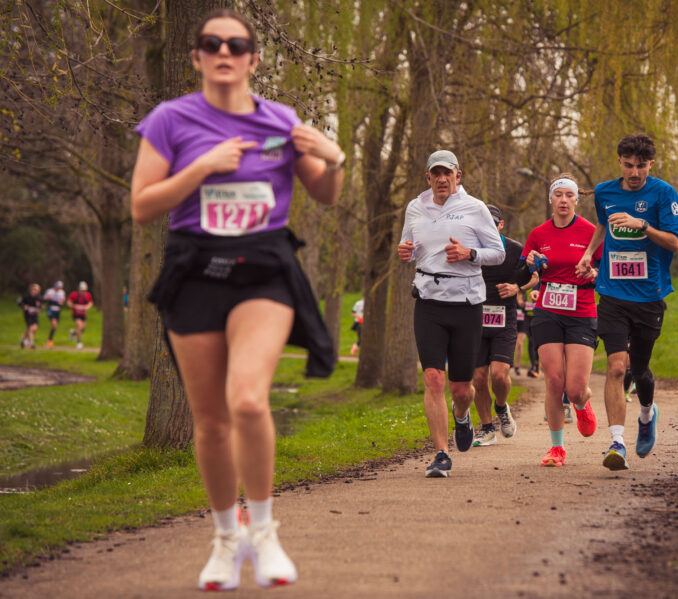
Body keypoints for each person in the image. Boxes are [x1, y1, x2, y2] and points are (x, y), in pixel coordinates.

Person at [131, 8, 344, 591]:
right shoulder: (171, 120)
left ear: (252, 58)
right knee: (212, 419)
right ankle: (226, 539)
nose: (224, 51)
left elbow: (324, 193)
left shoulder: (279, 119)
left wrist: (334, 155)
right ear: (198, 56)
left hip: (264, 269)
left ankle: (265, 530)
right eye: (211, 43)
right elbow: (143, 205)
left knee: (248, 400)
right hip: (195, 268)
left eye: (236, 44)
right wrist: (199, 168)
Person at [576, 133, 678, 471]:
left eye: (640, 166)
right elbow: (602, 226)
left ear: (651, 164)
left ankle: (648, 414)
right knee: (616, 367)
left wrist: (643, 225)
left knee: (639, 369)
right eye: (628, 165)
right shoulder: (606, 192)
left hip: (649, 295)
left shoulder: (664, 194)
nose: (634, 172)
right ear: (619, 162)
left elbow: (674, 243)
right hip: (612, 293)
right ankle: (617, 442)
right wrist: (588, 254)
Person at [397, 149, 505, 477]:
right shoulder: (415, 207)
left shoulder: (475, 209)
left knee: (461, 388)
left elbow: (498, 253)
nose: (442, 179)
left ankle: (462, 416)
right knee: (433, 378)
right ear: (428, 178)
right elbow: (411, 248)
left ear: (458, 175)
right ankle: (441, 454)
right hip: (428, 302)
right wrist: (405, 252)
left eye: (448, 173)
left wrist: (468, 252)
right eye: (436, 174)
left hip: (466, 304)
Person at [523, 174, 603, 467]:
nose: (564, 201)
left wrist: (594, 274)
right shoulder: (538, 234)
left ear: (576, 200)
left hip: (581, 311)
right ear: (551, 200)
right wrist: (529, 264)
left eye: (570, 195)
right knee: (554, 381)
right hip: (548, 311)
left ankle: (582, 403)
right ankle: (556, 448)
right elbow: (525, 271)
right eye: (559, 195)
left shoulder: (591, 232)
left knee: (574, 388)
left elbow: (605, 271)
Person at [471, 204, 533, 447]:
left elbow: (535, 277)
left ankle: (501, 407)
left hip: (503, 318)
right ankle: (487, 428)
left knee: (499, 375)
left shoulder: (516, 250)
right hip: (475, 318)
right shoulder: (471, 248)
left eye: (493, 224)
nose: (489, 228)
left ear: (501, 225)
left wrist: (517, 288)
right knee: (478, 378)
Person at [67, 281, 93, 350]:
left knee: (82, 329)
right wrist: (73, 306)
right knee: (80, 326)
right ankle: (79, 343)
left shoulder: (87, 295)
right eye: (81, 290)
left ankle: (73, 333)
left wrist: (87, 307)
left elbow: (90, 303)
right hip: (76, 315)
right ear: (78, 289)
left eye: (84, 290)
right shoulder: (74, 295)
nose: (83, 291)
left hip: (83, 315)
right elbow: (69, 302)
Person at [17, 283, 41, 349]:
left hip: (35, 314)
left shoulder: (38, 297)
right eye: (35, 289)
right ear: (32, 289)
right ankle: (31, 343)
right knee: (30, 328)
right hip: (28, 315)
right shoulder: (26, 297)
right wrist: (24, 306)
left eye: (38, 290)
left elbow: (40, 305)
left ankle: (23, 340)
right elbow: (19, 302)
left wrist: (40, 307)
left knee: (34, 328)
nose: (36, 291)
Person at [43, 281, 66, 347]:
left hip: (57, 310)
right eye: (58, 287)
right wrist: (48, 298)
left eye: (61, 287)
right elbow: (44, 299)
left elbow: (63, 301)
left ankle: (49, 340)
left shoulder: (62, 292)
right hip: (50, 308)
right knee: (54, 324)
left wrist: (61, 302)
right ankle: (50, 341)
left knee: (55, 326)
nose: (59, 288)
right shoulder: (50, 291)